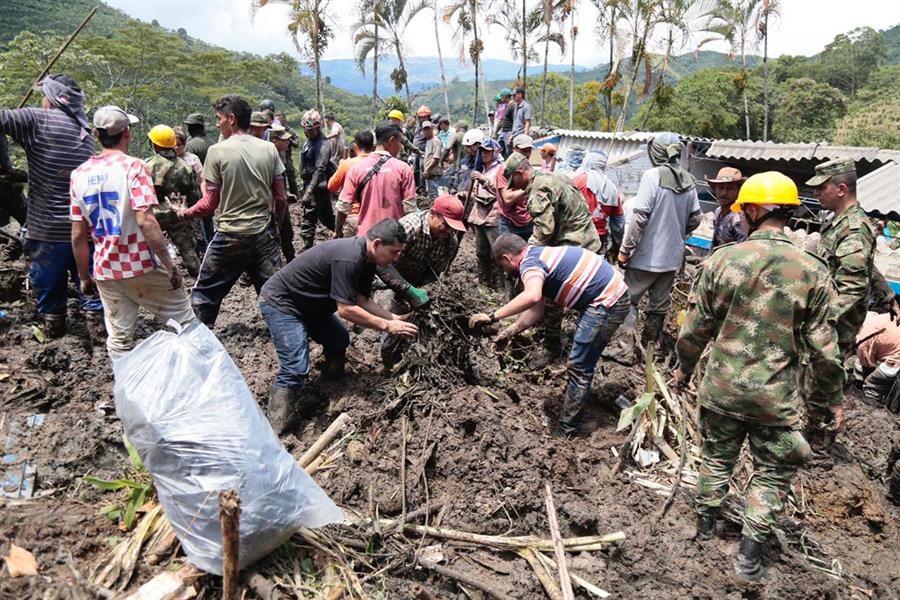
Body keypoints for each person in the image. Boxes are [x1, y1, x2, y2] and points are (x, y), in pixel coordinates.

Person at [674, 171, 844, 581]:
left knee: (716, 457)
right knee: (772, 472)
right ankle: (749, 558)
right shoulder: (813, 271)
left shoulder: (723, 260)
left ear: (751, 209)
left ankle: (703, 532)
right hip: (774, 397)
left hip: (722, 388)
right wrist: (831, 400)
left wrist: (684, 367)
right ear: (785, 212)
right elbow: (824, 350)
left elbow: (695, 329)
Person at [258, 218, 419, 432]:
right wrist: (386, 326)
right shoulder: (349, 258)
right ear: (377, 244)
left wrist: (392, 318)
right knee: (295, 367)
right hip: (283, 303)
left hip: (312, 305)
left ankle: (331, 385)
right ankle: (278, 424)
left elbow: (361, 299)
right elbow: (346, 310)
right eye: (394, 252)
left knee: (338, 340)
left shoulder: (368, 259)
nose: (396, 258)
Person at [470, 233, 630, 433]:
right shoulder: (538, 255)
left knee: (579, 366)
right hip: (606, 297)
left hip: (606, 303)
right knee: (581, 362)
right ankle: (574, 415)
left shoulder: (529, 264)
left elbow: (532, 295)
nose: (506, 272)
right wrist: (508, 332)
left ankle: (568, 429)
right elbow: (536, 310)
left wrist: (493, 316)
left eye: (503, 267)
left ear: (506, 258)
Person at [70, 106, 194, 358]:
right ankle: (199, 377)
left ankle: (126, 392)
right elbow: (146, 220)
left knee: (119, 339)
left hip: (106, 269)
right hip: (141, 264)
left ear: (96, 134)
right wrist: (169, 265)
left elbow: (77, 234)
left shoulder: (79, 174)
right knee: (185, 322)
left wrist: (84, 276)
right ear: (127, 133)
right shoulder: (134, 167)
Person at [0, 73, 102, 337]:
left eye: (44, 94)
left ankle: (54, 332)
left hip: (46, 231)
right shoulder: (85, 133)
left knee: (49, 291)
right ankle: (100, 337)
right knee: (90, 289)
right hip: (85, 230)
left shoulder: (35, 118)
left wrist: (4, 162)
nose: (42, 100)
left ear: (54, 97)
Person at [177, 94, 287, 326]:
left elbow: (210, 204)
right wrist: (274, 225)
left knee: (204, 296)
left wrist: (185, 212)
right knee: (278, 295)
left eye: (219, 119)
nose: (217, 124)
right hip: (262, 234)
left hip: (230, 236)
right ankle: (292, 344)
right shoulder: (269, 149)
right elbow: (280, 197)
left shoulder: (217, 152)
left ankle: (197, 346)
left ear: (232, 119)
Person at [504, 152, 602, 361]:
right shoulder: (556, 176)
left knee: (552, 297)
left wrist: (525, 256)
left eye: (514, 181)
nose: (515, 186)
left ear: (520, 173)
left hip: (574, 245)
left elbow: (544, 230)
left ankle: (551, 348)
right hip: (589, 241)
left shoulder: (538, 190)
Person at [618, 132, 701, 353]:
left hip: (646, 256)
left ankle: (625, 349)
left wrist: (625, 251)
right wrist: (677, 234)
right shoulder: (688, 180)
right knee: (659, 306)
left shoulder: (652, 176)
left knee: (629, 300)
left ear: (656, 151)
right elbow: (696, 218)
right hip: (672, 259)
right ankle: (649, 350)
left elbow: (639, 218)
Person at [378, 195, 466, 368]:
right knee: (392, 321)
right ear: (433, 214)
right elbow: (381, 263)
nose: (448, 231)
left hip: (416, 282)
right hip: (388, 278)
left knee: (420, 321)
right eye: (446, 225)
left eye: (452, 228)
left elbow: (434, 273)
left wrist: (421, 293)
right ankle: (387, 360)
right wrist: (406, 291)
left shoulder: (450, 243)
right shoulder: (410, 227)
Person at [336, 122, 416, 238]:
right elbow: (410, 210)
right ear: (392, 140)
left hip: (366, 238)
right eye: (400, 142)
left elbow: (343, 207)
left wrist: (338, 231)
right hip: (393, 239)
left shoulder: (356, 169)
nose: (401, 147)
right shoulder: (404, 169)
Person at [144, 125, 202, 276]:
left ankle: (157, 277)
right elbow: (195, 196)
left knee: (149, 248)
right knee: (188, 250)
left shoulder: (147, 166)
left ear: (155, 144)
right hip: (178, 215)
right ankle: (199, 279)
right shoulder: (186, 167)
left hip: (153, 216)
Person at [570, 151, 624, 257]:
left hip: (576, 235)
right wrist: (617, 246)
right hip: (599, 239)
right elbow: (619, 224)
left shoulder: (577, 181)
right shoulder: (612, 188)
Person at [298, 109, 335, 249]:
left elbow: (320, 169)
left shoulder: (323, 144)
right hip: (312, 185)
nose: (308, 132)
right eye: (307, 130)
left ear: (318, 128)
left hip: (317, 188)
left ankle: (305, 250)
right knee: (328, 219)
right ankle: (344, 234)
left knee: (309, 221)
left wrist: (309, 192)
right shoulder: (309, 142)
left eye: (312, 130)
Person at [468, 139, 503, 283]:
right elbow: (478, 190)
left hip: (493, 213)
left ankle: (499, 281)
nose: (484, 154)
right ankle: (484, 280)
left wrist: (483, 180)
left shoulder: (500, 169)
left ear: (495, 152)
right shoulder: (481, 168)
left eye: (488, 151)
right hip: (480, 211)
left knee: (496, 250)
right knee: (481, 251)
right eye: (482, 151)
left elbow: (500, 190)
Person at [855, 312, 900, 412]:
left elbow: (868, 367)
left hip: (896, 364)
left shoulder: (862, 341)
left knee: (871, 386)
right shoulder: (880, 318)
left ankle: (875, 407)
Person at [270, 124, 298, 261]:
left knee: (287, 234)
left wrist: (285, 193)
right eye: (284, 140)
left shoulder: (279, 155)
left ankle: (291, 261)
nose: (288, 142)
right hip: (272, 203)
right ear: (274, 141)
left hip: (280, 200)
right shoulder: (268, 157)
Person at [706, 166, 747, 248]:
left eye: (730, 188)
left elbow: (742, 248)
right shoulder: (718, 212)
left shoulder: (739, 218)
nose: (724, 193)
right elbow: (715, 243)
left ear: (738, 191)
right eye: (721, 188)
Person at [421, 121, 444, 199]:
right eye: (425, 129)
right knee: (431, 194)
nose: (426, 131)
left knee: (434, 196)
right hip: (430, 174)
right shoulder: (428, 141)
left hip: (434, 173)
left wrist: (427, 170)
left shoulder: (436, 140)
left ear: (432, 129)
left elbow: (436, 158)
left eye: (428, 129)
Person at [497, 89, 516, 157]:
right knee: (500, 148)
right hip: (504, 131)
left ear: (505, 96)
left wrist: (512, 134)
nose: (501, 98)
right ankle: (506, 160)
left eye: (501, 96)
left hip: (509, 131)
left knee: (509, 150)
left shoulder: (513, 105)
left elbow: (515, 120)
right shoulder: (507, 105)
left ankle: (509, 163)